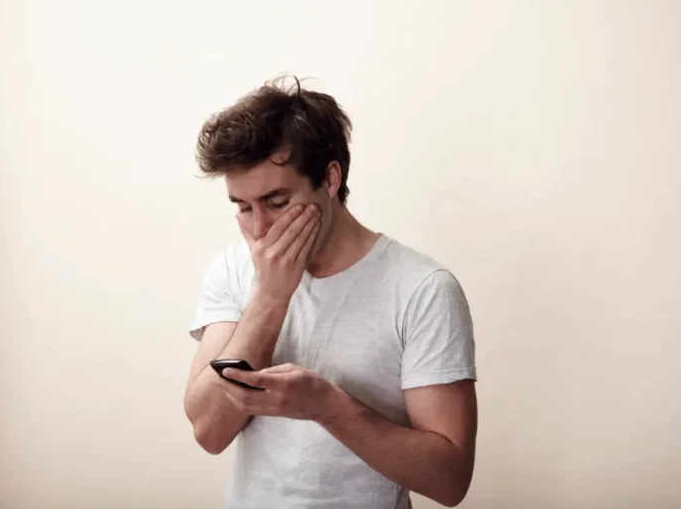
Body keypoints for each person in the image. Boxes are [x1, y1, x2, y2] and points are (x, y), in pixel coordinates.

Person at [183, 76, 478, 509]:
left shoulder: (423, 291)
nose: (260, 229)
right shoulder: (232, 270)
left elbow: (450, 482)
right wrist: (269, 296)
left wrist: (328, 406)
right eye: (243, 208)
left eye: (277, 201)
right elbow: (209, 431)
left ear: (331, 178)